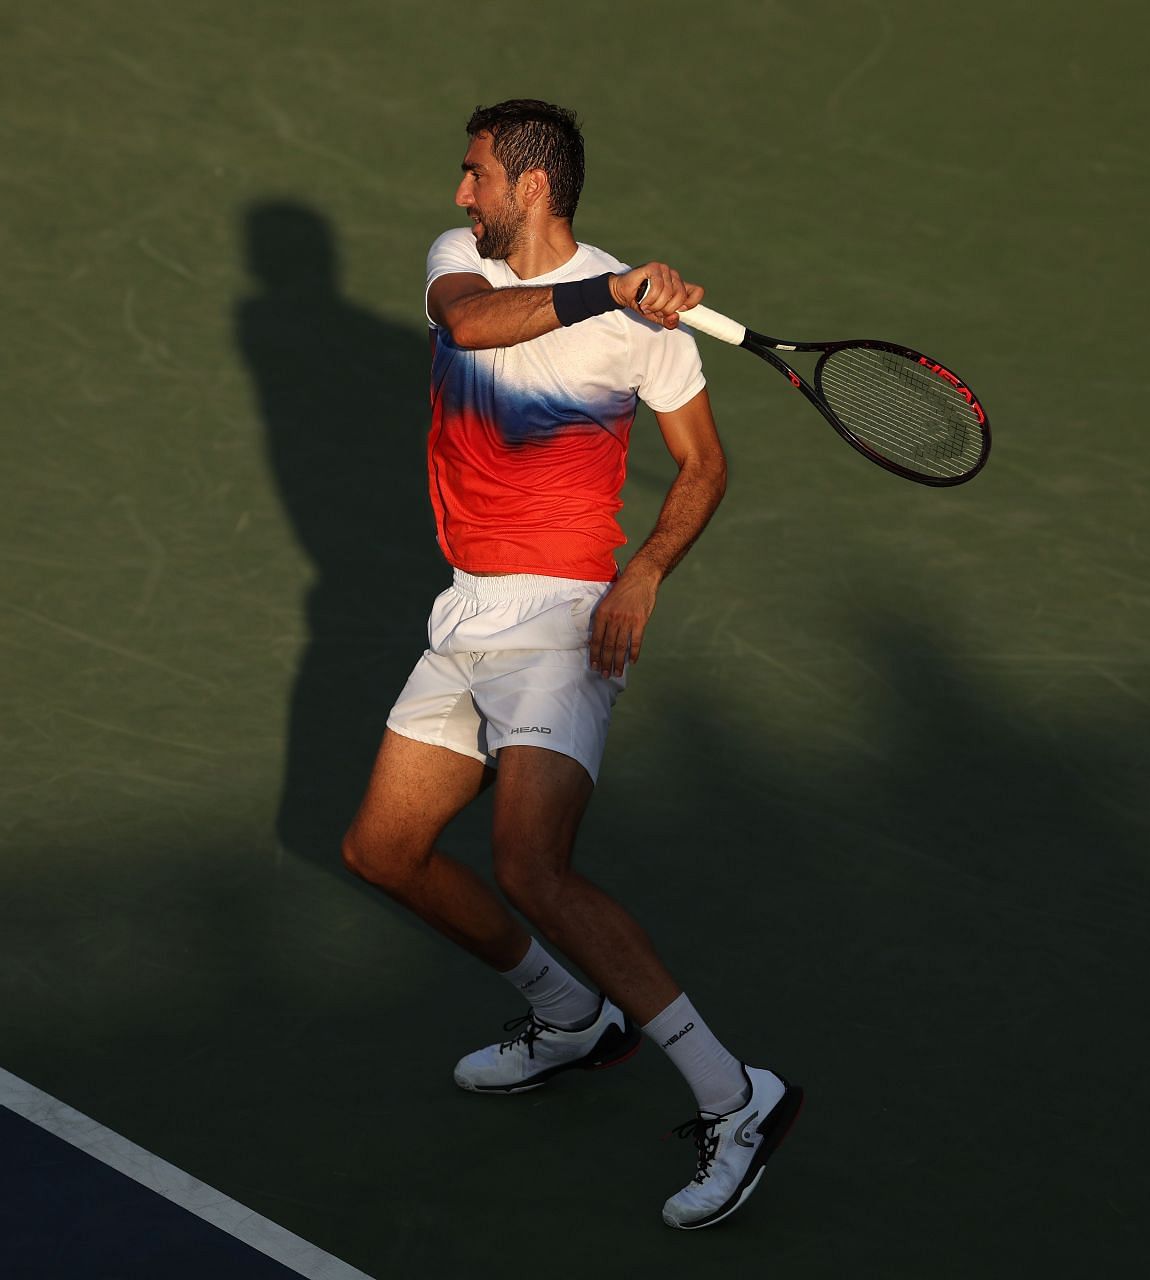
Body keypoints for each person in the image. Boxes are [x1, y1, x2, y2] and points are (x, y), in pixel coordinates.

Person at [339, 99, 801, 1230]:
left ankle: (735, 1095)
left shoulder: (648, 333)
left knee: (533, 865)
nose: (461, 194)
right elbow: (476, 330)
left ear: (531, 185)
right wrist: (613, 289)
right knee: (385, 849)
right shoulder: (465, 265)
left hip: (564, 618)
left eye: (476, 174)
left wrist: (642, 575)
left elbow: (703, 468)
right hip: (467, 612)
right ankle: (567, 1015)